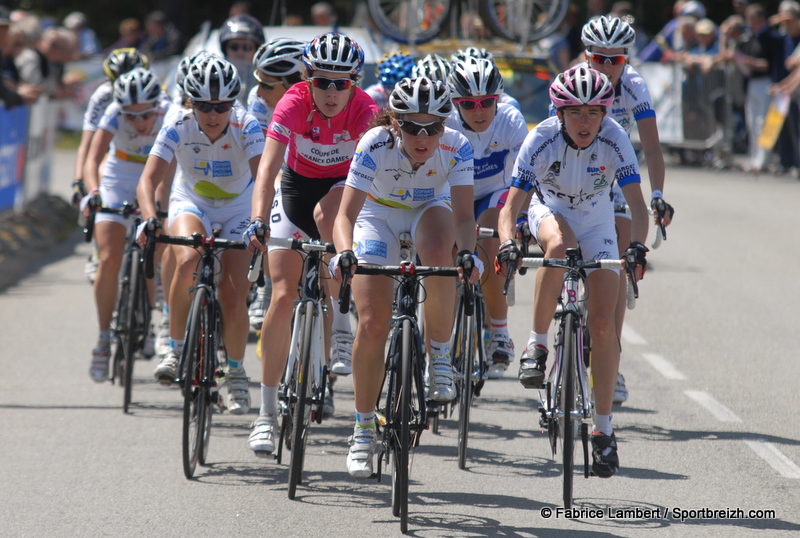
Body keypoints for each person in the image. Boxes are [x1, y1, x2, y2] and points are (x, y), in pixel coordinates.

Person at [497, 66, 648, 478]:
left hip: (598, 220)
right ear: (559, 113)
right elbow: (510, 208)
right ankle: (537, 344)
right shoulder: (540, 137)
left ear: (605, 114)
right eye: (576, 112)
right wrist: (510, 240)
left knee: (602, 327)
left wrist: (635, 247)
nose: (585, 122)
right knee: (559, 248)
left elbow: (637, 208)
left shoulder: (615, 140)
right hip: (551, 211)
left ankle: (603, 431)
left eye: (594, 113)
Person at [330, 76, 479, 477]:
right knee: (374, 322)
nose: (423, 136)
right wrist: (345, 253)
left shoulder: (456, 146)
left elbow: (465, 218)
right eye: (412, 126)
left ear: (445, 126)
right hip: (376, 214)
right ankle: (362, 429)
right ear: (395, 123)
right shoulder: (374, 144)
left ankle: (441, 358)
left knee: (438, 253)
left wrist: (467, 254)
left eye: (433, 127)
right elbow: (344, 215)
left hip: (429, 208)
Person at [242, 32, 380, 457]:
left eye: (343, 82)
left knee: (328, 220)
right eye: (323, 81)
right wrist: (258, 221)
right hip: (295, 188)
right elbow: (266, 169)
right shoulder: (293, 102)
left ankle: (340, 326)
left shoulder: (365, 110)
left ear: (355, 82)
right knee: (282, 295)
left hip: (343, 187)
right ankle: (265, 415)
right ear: (307, 78)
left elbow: (371, 174)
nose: (333, 92)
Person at [136, 56, 265, 416]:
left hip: (239, 206)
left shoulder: (247, 125)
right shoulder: (177, 124)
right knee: (188, 259)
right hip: (192, 201)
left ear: (232, 104)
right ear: (190, 103)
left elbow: (264, 180)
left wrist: (259, 220)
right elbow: (148, 180)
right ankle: (175, 348)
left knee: (233, 291)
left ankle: (236, 373)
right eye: (204, 106)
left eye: (222, 105)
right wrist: (149, 219)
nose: (213, 114)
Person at [580, 15, 672, 404]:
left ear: (626, 61)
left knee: (616, 263)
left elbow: (650, 148)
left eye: (614, 60)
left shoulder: (633, 85)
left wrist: (657, 194)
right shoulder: (575, 81)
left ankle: (610, 362)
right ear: (586, 57)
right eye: (598, 58)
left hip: (617, 172)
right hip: (576, 171)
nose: (605, 67)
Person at [83, 68, 174, 381]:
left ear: (157, 106)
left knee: (152, 248)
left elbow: (167, 176)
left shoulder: (169, 111)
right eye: (130, 116)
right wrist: (93, 193)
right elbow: (93, 161)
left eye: (145, 115)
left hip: (157, 174)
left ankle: (147, 321)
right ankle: (102, 339)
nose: (139, 123)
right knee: (108, 257)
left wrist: (156, 213)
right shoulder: (113, 112)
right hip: (119, 175)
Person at [445, 57, 528, 379]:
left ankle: (499, 332)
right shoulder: (447, 122)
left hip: (496, 192)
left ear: (499, 99)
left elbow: (526, 175)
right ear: (455, 103)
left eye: (486, 102)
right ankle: (441, 345)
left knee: (492, 241)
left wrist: (521, 221)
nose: (479, 111)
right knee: (449, 256)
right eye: (468, 104)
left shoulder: (509, 119)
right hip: (455, 192)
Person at [245, 38, 307, 331]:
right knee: (271, 191)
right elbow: (261, 163)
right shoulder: (258, 102)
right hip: (280, 170)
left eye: (268, 84)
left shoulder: (317, 102)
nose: (258, 91)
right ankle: (265, 282)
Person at [73, 48, 149, 283]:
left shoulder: (154, 94)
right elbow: (87, 145)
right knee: (99, 184)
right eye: (119, 82)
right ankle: (99, 250)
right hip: (115, 153)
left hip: (148, 157)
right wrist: (80, 182)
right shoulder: (103, 96)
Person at [219, 14, 265, 107]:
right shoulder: (213, 81)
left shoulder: (267, 82)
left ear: (257, 51)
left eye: (247, 47)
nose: (240, 53)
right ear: (225, 50)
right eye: (234, 47)